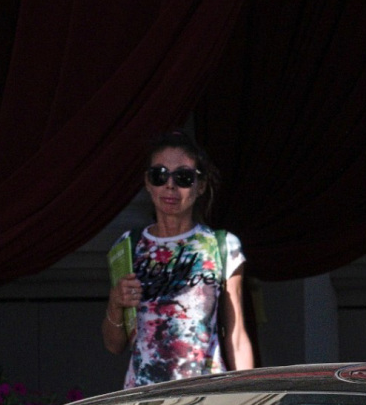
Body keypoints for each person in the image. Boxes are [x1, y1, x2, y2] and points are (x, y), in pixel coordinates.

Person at [102, 133, 253, 387]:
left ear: (200, 185)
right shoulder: (129, 245)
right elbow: (114, 344)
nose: (170, 186)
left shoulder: (222, 246)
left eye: (183, 178)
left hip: (207, 394)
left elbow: (236, 336)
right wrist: (115, 303)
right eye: (159, 175)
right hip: (144, 396)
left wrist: (249, 398)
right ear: (148, 183)